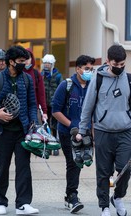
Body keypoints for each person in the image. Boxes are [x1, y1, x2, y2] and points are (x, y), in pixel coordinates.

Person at [0, 45, 39, 215]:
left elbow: (32, 104)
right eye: (21, 61)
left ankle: (23, 204)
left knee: (24, 167)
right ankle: (0, 201)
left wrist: (33, 122)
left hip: (22, 131)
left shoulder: (27, 79)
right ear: (11, 62)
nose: (24, 64)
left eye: (25, 61)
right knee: (2, 167)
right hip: (2, 132)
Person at [76, 44, 130, 216]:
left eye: (123, 64)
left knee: (125, 168)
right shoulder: (98, 79)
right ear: (108, 61)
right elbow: (87, 107)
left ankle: (118, 197)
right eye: (116, 64)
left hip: (125, 131)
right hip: (102, 131)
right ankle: (104, 206)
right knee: (103, 172)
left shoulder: (128, 79)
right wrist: (83, 130)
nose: (120, 68)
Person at [52, 55, 95, 213]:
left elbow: (93, 113)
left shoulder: (93, 86)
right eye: (86, 69)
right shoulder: (66, 85)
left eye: (91, 69)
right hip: (67, 132)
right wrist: (73, 127)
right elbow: (55, 111)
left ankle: (70, 195)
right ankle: (72, 196)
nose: (89, 72)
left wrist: (91, 133)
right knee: (73, 162)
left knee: (82, 162)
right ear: (77, 69)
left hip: (86, 134)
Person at [41, 54, 63, 156]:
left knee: (54, 125)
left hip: (55, 104)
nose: (46, 65)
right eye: (45, 63)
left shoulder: (58, 76)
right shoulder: (41, 75)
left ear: (52, 64)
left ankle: (55, 144)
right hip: (44, 104)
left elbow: (61, 90)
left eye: (48, 64)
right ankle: (47, 145)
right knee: (45, 124)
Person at [23, 48, 48, 122]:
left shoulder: (36, 74)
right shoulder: (17, 73)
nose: (26, 61)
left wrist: (44, 111)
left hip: (34, 109)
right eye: (24, 59)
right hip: (20, 110)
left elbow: (41, 94)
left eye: (28, 58)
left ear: (31, 59)